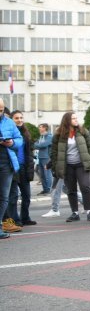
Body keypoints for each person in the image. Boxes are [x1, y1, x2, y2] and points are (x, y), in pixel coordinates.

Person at [52, 112, 90, 224]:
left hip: (81, 164)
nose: (76, 120)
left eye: (76, 118)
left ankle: (89, 211)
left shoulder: (82, 131)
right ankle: (75, 213)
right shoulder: (58, 134)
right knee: (71, 190)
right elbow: (54, 152)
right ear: (67, 120)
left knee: (85, 186)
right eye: (73, 118)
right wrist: (55, 166)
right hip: (67, 166)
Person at [5, 111, 36, 226]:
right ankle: (15, 220)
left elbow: (29, 153)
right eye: (16, 118)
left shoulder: (26, 134)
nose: (19, 120)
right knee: (13, 196)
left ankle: (25, 217)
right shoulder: (9, 133)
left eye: (21, 118)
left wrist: (30, 169)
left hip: (24, 167)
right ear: (11, 120)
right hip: (13, 168)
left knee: (26, 195)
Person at [0, 99, 22, 237]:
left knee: (3, 197)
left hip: (6, 164)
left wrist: (12, 142)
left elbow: (19, 140)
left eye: (1, 109)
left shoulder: (9, 122)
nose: (0, 112)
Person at [34, 123, 53, 194]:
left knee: (47, 174)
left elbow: (44, 145)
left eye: (40, 127)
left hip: (46, 157)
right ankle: (45, 189)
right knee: (42, 175)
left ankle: (49, 190)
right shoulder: (41, 136)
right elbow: (36, 145)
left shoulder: (49, 136)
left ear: (45, 128)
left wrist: (38, 145)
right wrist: (38, 145)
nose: (39, 128)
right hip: (40, 157)